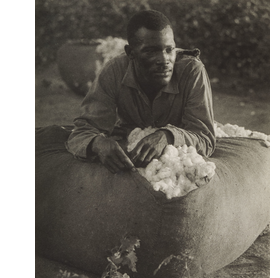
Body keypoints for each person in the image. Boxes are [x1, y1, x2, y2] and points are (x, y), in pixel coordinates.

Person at [66, 10, 216, 174]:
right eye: (151, 51)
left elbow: (205, 139)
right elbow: (82, 131)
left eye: (169, 49)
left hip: (178, 157)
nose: (164, 60)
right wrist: (98, 143)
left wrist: (167, 137)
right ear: (131, 53)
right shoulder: (114, 71)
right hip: (131, 150)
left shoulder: (192, 71)